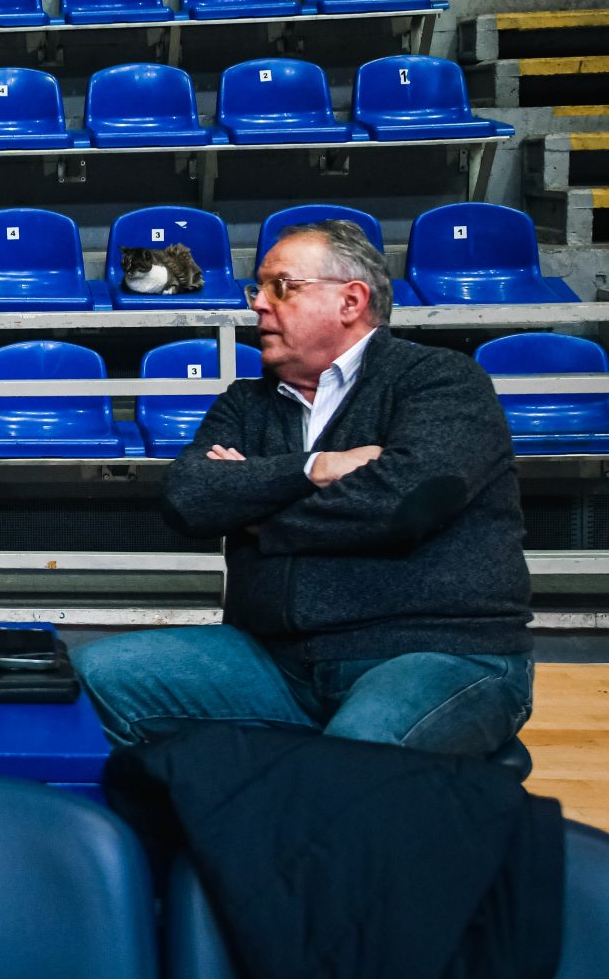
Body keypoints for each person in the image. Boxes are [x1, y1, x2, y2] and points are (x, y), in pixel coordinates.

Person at [76, 219, 534, 755]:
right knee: (91, 678)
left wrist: (256, 512)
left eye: (281, 287)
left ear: (350, 301)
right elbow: (189, 498)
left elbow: (404, 502)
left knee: (354, 755)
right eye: (259, 288)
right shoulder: (244, 402)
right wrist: (313, 469)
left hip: (433, 651)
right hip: (274, 661)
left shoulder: (442, 380)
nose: (257, 304)